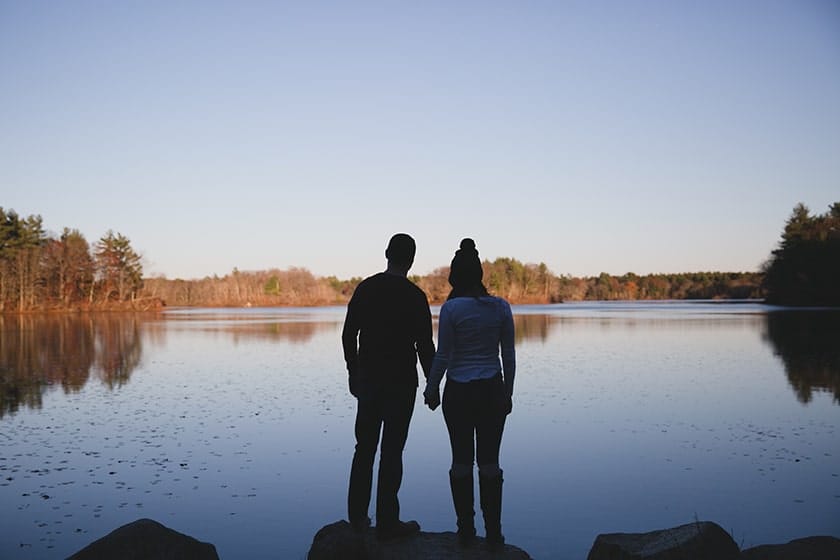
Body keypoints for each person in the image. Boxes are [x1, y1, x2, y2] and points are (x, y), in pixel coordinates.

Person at [342, 233, 435, 541]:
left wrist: (353, 373)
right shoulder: (415, 296)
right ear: (411, 259)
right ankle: (387, 522)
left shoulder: (366, 288)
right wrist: (432, 385)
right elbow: (424, 346)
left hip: (368, 380)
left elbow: (348, 335)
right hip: (401, 383)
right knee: (392, 451)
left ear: (386, 253)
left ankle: (357, 519)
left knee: (364, 448)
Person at [423, 238, 515, 547]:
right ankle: (494, 534)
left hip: (459, 392)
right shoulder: (501, 307)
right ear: (479, 275)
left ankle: (465, 530)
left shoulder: (451, 309)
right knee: (490, 462)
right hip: (491, 389)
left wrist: (432, 386)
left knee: (461, 461)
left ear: (454, 277)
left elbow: (444, 355)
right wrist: (508, 393)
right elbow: (509, 355)